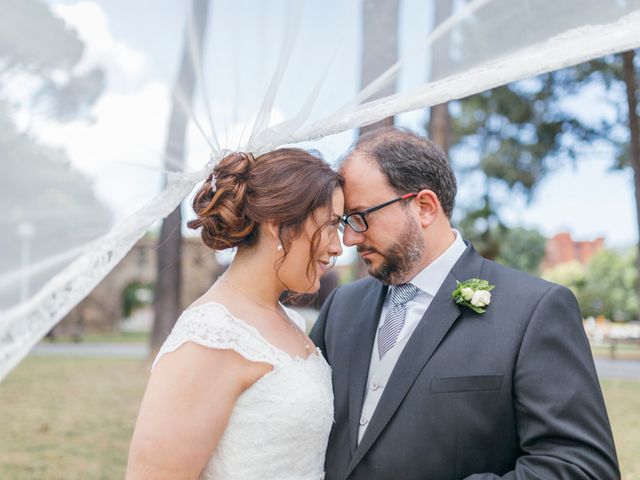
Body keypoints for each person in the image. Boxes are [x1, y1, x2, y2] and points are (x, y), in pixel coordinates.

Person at [310, 127, 620, 479]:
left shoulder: (535, 310)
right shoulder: (341, 306)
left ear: (424, 207)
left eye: (362, 217)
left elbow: (582, 468)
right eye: (346, 222)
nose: (350, 238)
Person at [126, 149, 344, 479]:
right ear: (279, 224)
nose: (338, 246)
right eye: (330, 226)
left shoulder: (290, 321)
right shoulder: (211, 335)